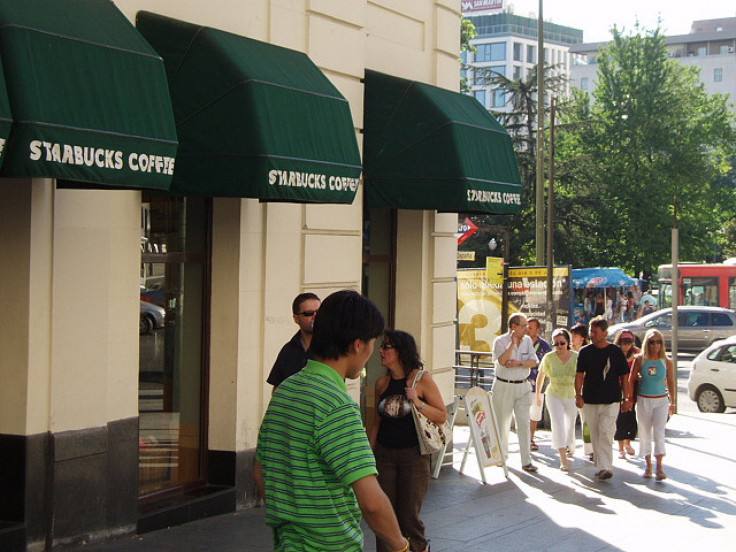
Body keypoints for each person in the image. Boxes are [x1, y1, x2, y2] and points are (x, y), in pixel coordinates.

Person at [254, 290, 409, 552]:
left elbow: (260, 473)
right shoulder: (336, 405)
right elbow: (371, 502)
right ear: (357, 345)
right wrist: (401, 546)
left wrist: (295, 516)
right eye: (373, 343)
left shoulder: (286, 390)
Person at [369, 330, 446, 552]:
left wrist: (418, 402)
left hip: (413, 456)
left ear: (401, 351)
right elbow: (376, 422)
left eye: (386, 347)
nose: (380, 351)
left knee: (408, 517)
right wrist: (369, 454)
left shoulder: (421, 380)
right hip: (384, 455)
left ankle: (420, 548)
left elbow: (441, 415)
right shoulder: (382, 383)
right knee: (384, 517)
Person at [575, 316, 632, 480]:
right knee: (595, 433)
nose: (592, 334)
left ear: (605, 333)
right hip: (590, 399)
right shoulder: (585, 352)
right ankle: (600, 464)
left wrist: (626, 398)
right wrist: (578, 395)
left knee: (606, 431)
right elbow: (579, 375)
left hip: (611, 399)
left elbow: (625, 376)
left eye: (596, 332)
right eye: (591, 331)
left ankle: (606, 466)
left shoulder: (615, 351)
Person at [492, 313, 539, 472]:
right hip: (504, 386)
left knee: (524, 423)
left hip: (522, 386)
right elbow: (503, 361)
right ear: (514, 326)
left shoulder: (527, 341)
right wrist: (512, 345)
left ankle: (526, 461)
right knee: (502, 423)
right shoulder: (500, 341)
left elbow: (533, 362)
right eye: (524, 325)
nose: (527, 328)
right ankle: (502, 458)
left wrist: (519, 363)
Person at [629, 329, 676, 480]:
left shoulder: (667, 362)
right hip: (644, 400)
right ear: (646, 343)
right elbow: (631, 379)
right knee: (644, 432)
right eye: (652, 342)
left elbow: (670, 383)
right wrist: (629, 399)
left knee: (659, 433)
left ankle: (660, 467)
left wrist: (673, 402)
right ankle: (648, 465)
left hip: (661, 400)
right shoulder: (640, 359)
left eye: (658, 342)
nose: (655, 345)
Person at [535, 328, 578, 471]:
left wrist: (582, 394)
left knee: (570, 424)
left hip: (571, 394)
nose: (559, 347)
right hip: (554, 393)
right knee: (558, 423)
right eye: (556, 344)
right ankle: (562, 457)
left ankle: (569, 446)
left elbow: (582, 377)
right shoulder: (549, 357)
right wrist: (538, 395)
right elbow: (541, 376)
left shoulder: (576, 357)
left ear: (568, 343)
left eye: (562, 343)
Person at [266, 292, 320, 390]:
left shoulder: (331, 347)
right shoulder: (288, 350)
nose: (315, 317)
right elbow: (277, 388)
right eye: (309, 313)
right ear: (296, 318)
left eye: (319, 312)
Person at [526, 318, 552, 452]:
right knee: (522, 412)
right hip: (522, 383)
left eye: (531, 327)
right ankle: (525, 438)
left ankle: (530, 437)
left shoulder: (545, 346)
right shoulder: (521, 343)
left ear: (538, 330)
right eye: (527, 327)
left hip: (537, 385)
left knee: (535, 414)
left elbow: (551, 363)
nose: (528, 329)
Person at [614, 330, 640, 459]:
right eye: (624, 343)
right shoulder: (615, 353)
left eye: (629, 343)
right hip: (618, 387)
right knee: (621, 417)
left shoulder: (637, 353)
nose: (626, 347)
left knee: (631, 416)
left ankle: (628, 442)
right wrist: (628, 359)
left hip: (632, 387)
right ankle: (620, 447)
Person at [570, 322, 592, 459]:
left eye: (575, 336)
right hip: (567, 391)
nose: (572, 339)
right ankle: (568, 446)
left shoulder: (588, 353)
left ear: (582, 338)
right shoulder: (568, 352)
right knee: (568, 420)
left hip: (584, 391)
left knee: (587, 421)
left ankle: (589, 449)